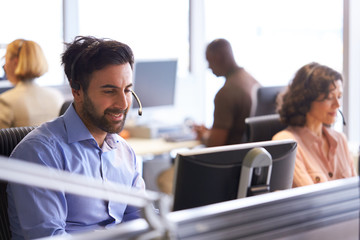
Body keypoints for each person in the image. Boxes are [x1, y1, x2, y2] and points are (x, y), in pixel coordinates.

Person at [7, 36, 146, 239]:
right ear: (76, 90)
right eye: (109, 91)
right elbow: (48, 236)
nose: (123, 103)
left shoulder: (124, 151)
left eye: (127, 90)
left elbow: (142, 220)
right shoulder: (40, 153)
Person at [273, 62, 356, 188]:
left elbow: (355, 193)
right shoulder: (287, 143)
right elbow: (312, 202)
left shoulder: (340, 140)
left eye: (339, 97)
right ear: (306, 99)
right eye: (329, 98)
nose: (337, 105)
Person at [193, 38, 260, 147]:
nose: (209, 67)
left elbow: (215, 144)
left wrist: (204, 136)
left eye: (209, 61)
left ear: (219, 58)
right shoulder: (252, 81)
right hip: (251, 155)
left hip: (231, 157)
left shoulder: (226, 93)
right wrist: (211, 132)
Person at [0, 39, 64, 128]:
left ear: (15, 62)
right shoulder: (57, 96)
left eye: (5, 60)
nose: (4, 66)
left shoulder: (6, 101)